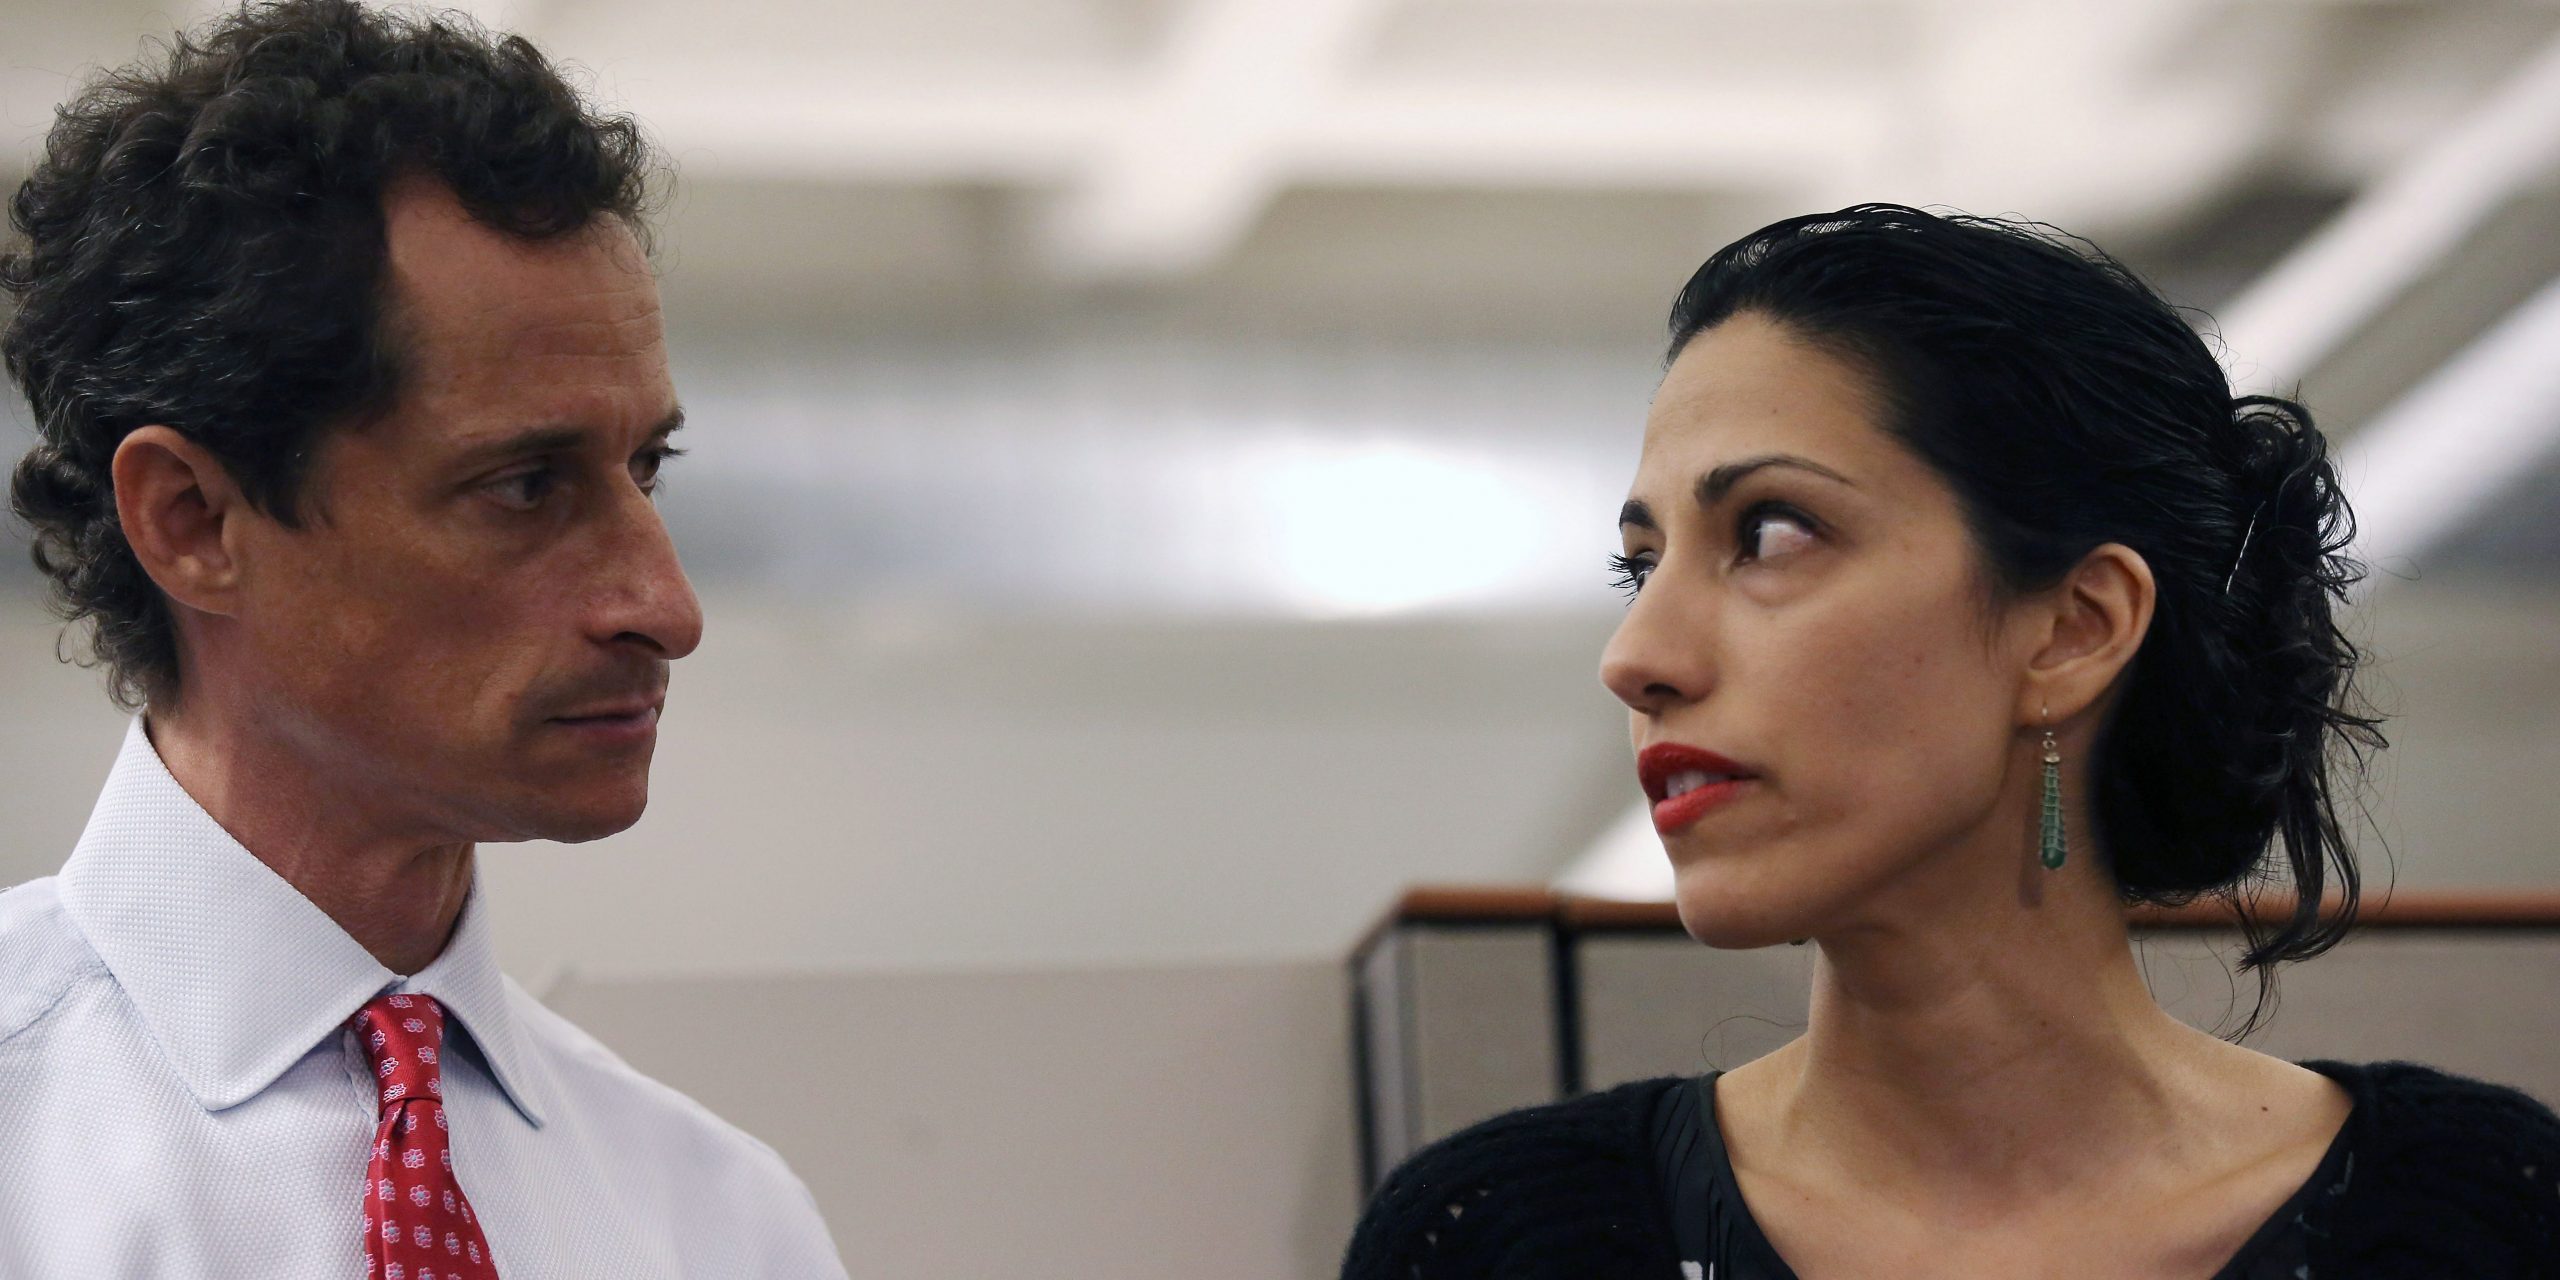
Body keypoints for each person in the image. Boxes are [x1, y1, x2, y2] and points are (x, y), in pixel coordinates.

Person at [1341, 205, 2560, 1278]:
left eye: (1767, 534)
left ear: (2074, 629)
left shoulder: (2480, 1217)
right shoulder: (1508, 1237)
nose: (1636, 655)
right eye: (1639, 563)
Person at [0, 3, 848, 1275]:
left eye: (643, 468)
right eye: (522, 485)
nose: (664, 606)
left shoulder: (718, 1219)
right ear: (191, 520)